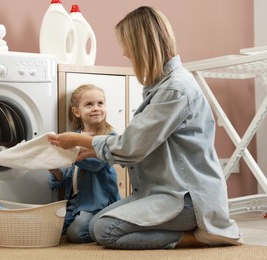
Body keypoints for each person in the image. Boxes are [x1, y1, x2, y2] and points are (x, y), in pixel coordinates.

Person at [47, 6, 243, 249]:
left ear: (141, 46)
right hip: (161, 193)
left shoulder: (175, 89)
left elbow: (130, 147)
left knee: (105, 230)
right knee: (97, 223)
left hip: (186, 199)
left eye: (127, 45)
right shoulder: (162, 86)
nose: (124, 52)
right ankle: (187, 228)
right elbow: (139, 145)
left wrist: (78, 140)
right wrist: (95, 150)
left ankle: (198, 236)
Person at [48, 84, 120, 243]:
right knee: (53, 229)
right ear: (76, 111)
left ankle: (108, 222)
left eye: (100, 103)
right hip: (76, 202)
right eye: (89, 104)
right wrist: (55, 169)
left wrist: (69, 155)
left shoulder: (109, 137)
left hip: (98, 202)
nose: (96, 108)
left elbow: (95, 164)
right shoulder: (72, 137)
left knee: (76, 233)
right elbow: (68, 177)